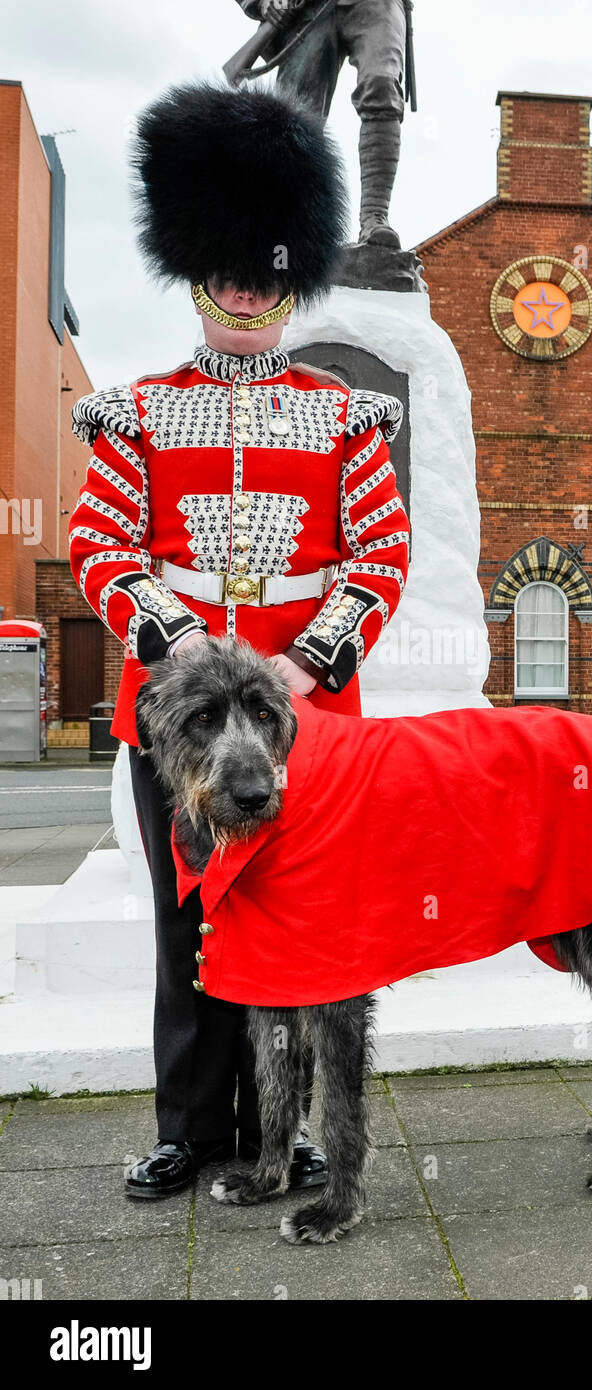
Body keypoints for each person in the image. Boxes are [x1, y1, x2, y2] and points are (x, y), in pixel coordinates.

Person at [68, 80, 410, 1197]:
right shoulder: (138, 408)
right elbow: (101, 543)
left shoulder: (343, 412)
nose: (245, 292)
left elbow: (378, 555)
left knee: (295, 925)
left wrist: (305, 664)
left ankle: (282, 1132)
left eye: (264, 274)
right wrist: (172, 642)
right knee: (186, 929)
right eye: (227, 273)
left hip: (301, 724)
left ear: (287, 278)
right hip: (177, 722)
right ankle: (193, 1127)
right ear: (196, 273)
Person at [236, 0, 409, 246]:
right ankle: (288, 228)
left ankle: (375, 218)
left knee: (381, 84)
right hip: (308, 7)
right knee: (295, 116)